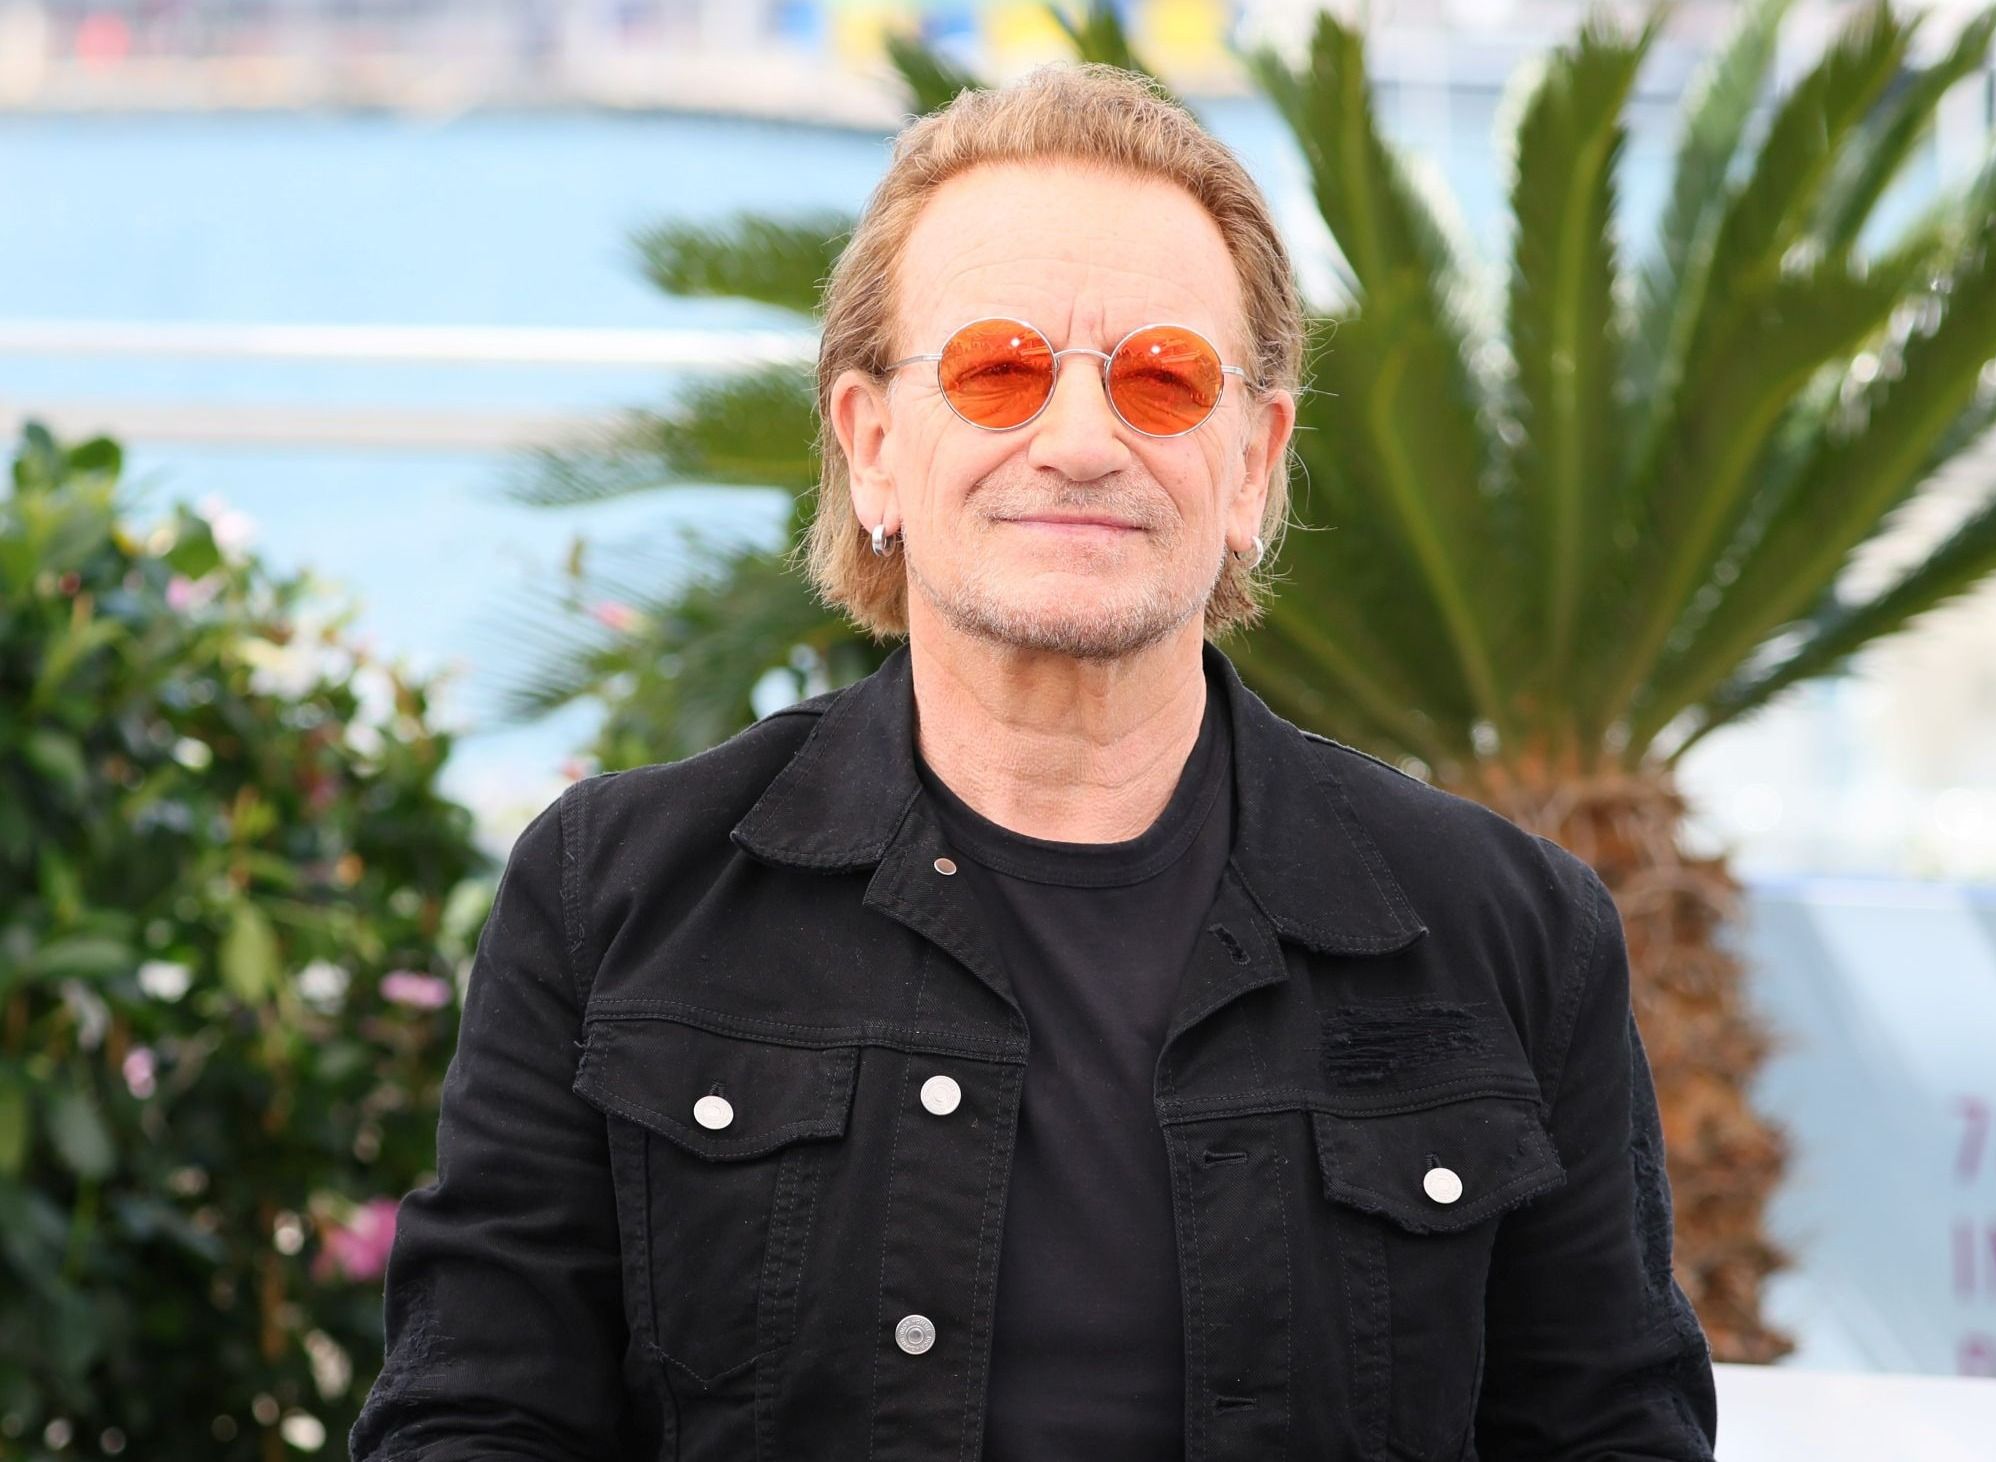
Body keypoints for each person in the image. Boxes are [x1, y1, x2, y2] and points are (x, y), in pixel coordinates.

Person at [349, 61, 1717, 1462]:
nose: (1079, 442)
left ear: (1254, 464)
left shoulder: (1512, 938)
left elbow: (1613, 1433)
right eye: (997, 372)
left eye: (1164, 379)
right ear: (873, 448)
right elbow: (475, 1419)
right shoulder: (614, 898)